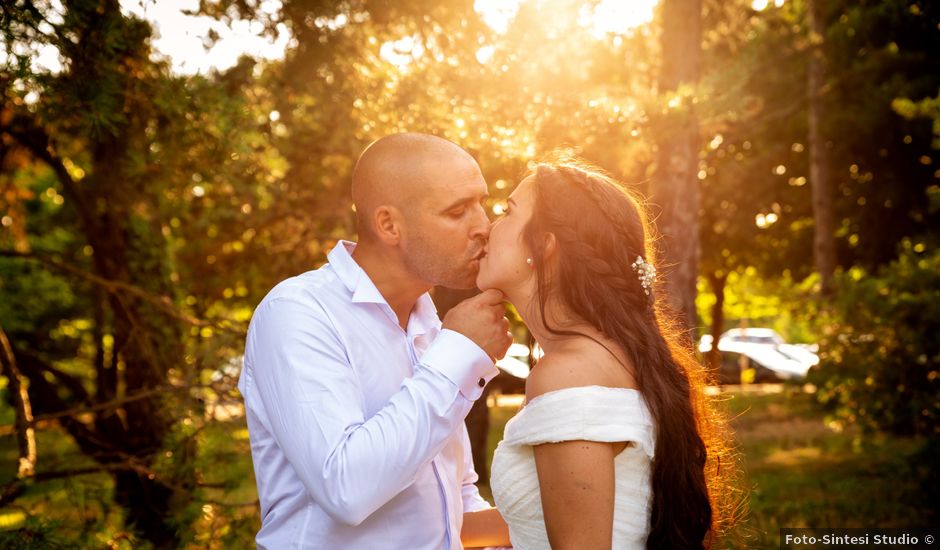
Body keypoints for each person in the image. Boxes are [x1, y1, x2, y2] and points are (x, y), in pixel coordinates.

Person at [239, 133, 513, 549]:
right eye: (458, 211)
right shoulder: (298, 312)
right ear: (389, 225)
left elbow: (451, 498)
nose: (483, 227)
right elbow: (346, 488)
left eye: (482, 203)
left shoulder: (430, 324)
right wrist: (459, 353)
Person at [479, 161, 729, 549]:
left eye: (507, 212)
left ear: (543, 245)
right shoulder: (617, 357)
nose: (487, 229)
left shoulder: (567, 374)